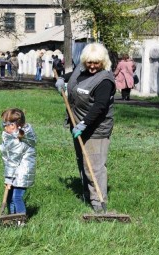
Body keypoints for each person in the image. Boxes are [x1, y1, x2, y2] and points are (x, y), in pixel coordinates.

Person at [55, 43, 116, 213]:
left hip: (95, 129)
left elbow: (100, 106)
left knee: (94, 166)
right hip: (78, 125)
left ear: (103, 62)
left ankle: (99, 203)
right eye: (89, 62)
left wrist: (84, 123)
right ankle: (87, 195)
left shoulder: (104, 80)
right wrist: (62, 79)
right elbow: (74, 76)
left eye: (96, 63)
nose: (92, 66)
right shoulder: (82, 70)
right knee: (83, 162)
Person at [0, 108, 37, 224]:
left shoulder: (18, 141)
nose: (5, 127)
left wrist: (8, 178)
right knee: (10, 197)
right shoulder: (13, 137)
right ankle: (11, 218)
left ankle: (20, 221)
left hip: (21, 174)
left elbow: (12, 161)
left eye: (7, 124)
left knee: (16, 197)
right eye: (3, 124)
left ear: (16, 125)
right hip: (16, 171)